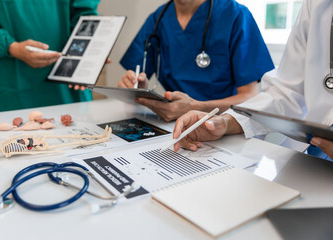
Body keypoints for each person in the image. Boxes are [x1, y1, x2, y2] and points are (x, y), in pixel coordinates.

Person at [172, 0, 333, 161]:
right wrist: (224, 122)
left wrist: (199, 106)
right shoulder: (316, 4)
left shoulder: (235, 14)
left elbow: (249, 93)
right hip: (312, 159)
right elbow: (285, 94)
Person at [118, 0, 274, 122]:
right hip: (172, 125)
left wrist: (196, 108)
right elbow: (137, 78)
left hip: (224, 123)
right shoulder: (159, 18)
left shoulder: (236, 15)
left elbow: (249, 97)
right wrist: (138, 89)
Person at [0, 0, 99, 113]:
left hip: (68, 83)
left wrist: (90, 51)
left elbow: (85, 10)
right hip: (10, 84)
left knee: (75, 129)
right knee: (13, 134)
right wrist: (10, 47)